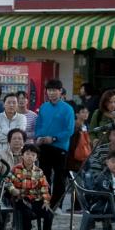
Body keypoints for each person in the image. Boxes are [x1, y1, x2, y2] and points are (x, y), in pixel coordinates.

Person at [37, 79, 74, 209]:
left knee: (59, 178)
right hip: (44, 147)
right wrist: (39, 137)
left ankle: (57, 205)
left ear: (60, 91)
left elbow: (69, 130)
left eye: (54, 90)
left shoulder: (68, 109)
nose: (51, 93)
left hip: (60, 147)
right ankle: (45, 202)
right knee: (44, 176)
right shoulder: (43, 107)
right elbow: (39, 125)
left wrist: (53, 138)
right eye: (49, 90)